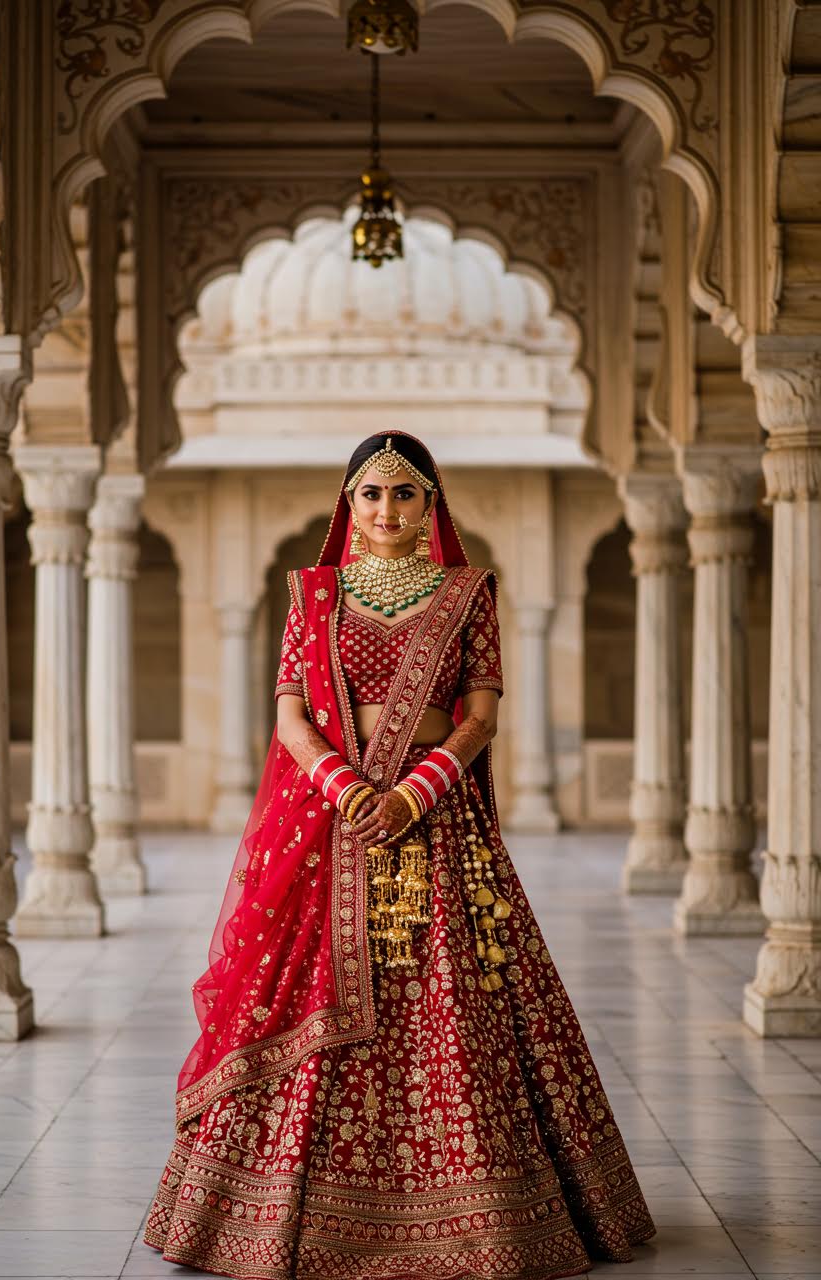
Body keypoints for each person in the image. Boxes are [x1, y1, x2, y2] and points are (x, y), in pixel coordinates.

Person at [144, 431, 655, 1278]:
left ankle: (477, 1214)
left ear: (430, 504)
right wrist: (347, 790)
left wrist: (414, 793)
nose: (387, 510)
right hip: (332, 825)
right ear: (349, 503)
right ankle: (266, 1214)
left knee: (454, 1000)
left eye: (405, 494)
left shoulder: (467, 593)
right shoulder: (313, 595)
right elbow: (290, 719)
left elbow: (480, 716)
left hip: (437, 821)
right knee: (302, 991)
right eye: (371, 494)